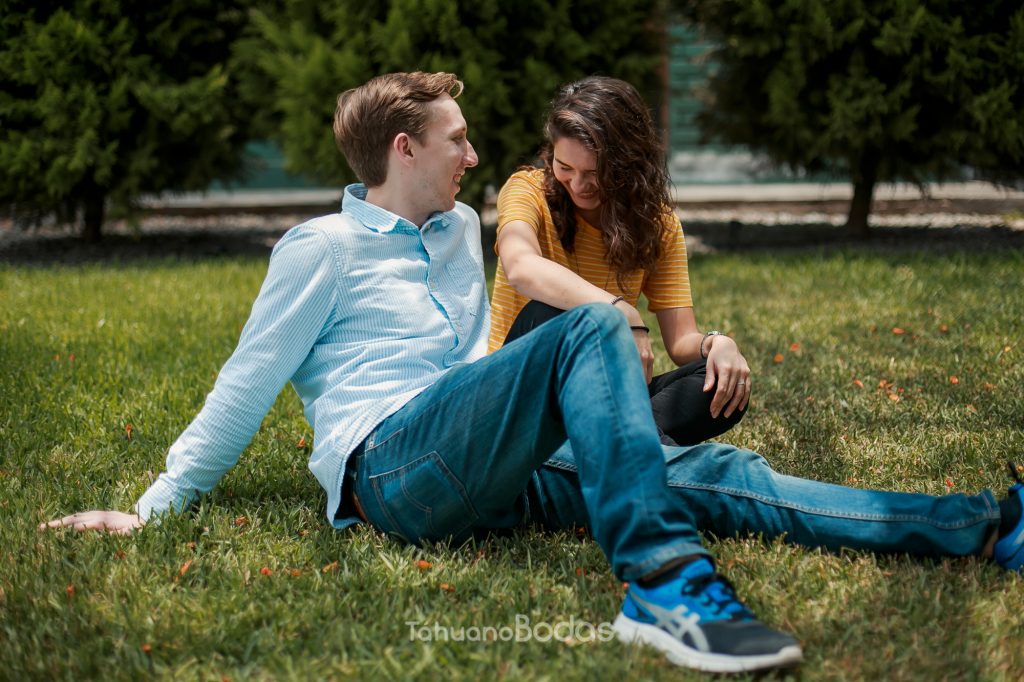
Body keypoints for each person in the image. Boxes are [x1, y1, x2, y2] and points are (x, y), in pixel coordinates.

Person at [41, 71, 1024, 675]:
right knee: (589, 319)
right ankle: (663, 585)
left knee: (722, 474)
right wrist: (160, 503)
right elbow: (247, 379)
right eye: (457, 136)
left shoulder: (453, 231)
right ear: (404, 147)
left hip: (478, 457)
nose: (475, 149)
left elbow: (476, 362)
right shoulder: (320, 246)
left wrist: (573, 417)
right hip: (391, 472)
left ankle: (985, 521)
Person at [490, 76, 748, 446]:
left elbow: (681, 342)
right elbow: (521, 267)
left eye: (595, 173)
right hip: (526, 392)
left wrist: (717, 345)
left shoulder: (658, 224)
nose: (578, 185)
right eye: (565, 168)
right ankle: (649, 455)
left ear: (628, 163)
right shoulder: (527, 190)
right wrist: (622, 313)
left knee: (716, 383)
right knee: (549, 313)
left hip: (608, 394)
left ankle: (611, 449)